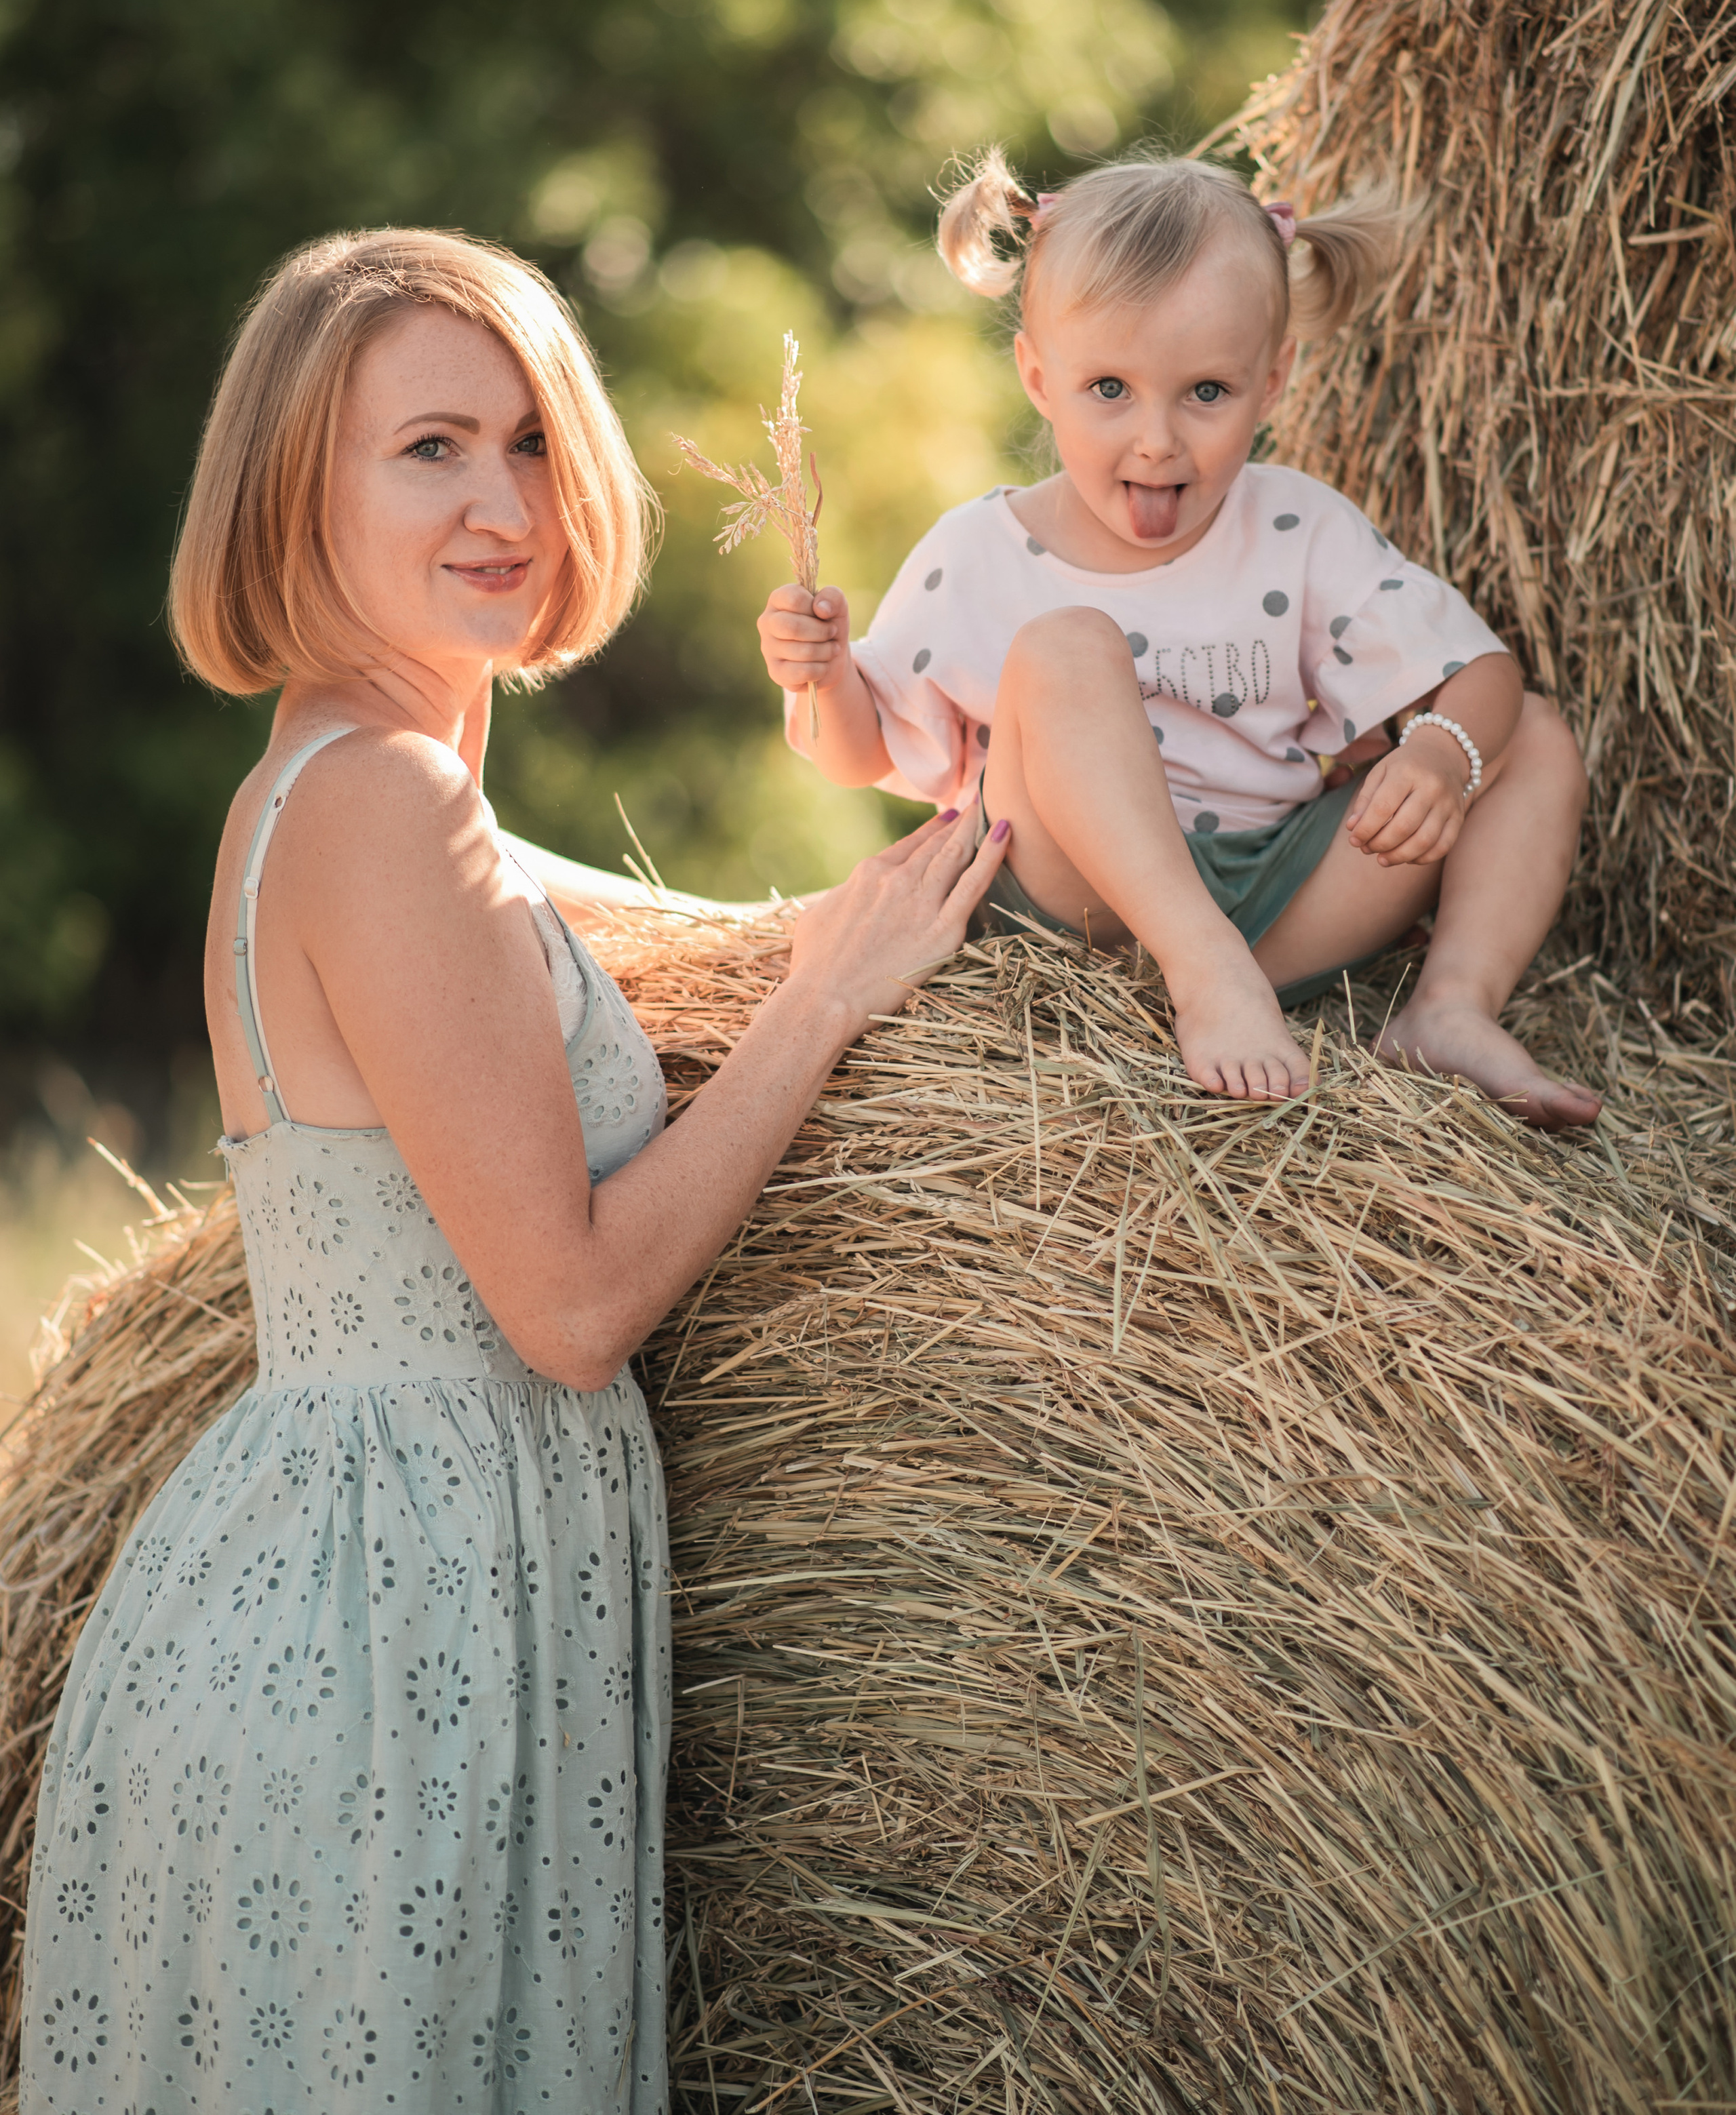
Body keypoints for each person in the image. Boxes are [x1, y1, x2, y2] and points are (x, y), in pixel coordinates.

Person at [19, 228, 1008, 2114]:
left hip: (392, 1609)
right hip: (377, 1654)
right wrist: (823, 1013)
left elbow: (729, 931)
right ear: (295, 494)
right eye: (431, 451)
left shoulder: (387, 786)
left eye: (534, 443)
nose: (508, 503)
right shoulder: (383, 807)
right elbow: (563, 1306)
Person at [757, 151, 1599, 1129]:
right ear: (1039, 374)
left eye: (1205, 392)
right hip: (1071, 909)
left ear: (1272, 379)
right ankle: (1200, 970)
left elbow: (1478, 672)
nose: (1156, 439)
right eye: (1109, 388)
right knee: (1068, 647)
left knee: (1528, 730)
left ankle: (1450, 1006)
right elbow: (861, 754)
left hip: (1273, 893)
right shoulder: (979, 552)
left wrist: (1443, 755)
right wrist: (819, 679)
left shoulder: (1297, 527)